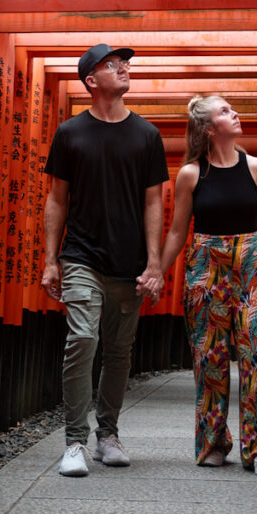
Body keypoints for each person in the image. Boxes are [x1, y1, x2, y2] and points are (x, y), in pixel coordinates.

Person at [42, 43, 169, 476]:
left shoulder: (147, 135)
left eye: (125, 63)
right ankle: (74, 440)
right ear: (91, 82)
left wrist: (154, 264)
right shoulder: (70, 133)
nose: (123, 68)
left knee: (118, 352)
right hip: (80, 255)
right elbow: (56, 199)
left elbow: (155, 203)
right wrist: (50, 260)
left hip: (130, 261)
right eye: (111, 65)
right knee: (82, 341)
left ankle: (108, 434)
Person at [160, 94, 257, 476]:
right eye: (225, 111)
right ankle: (213, 442)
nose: (235, 114)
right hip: (205, 266)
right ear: (207, 128)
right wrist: (157, 271)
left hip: (251, 263)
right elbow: (177, 231)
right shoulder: (190, 174)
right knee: (210, 359)